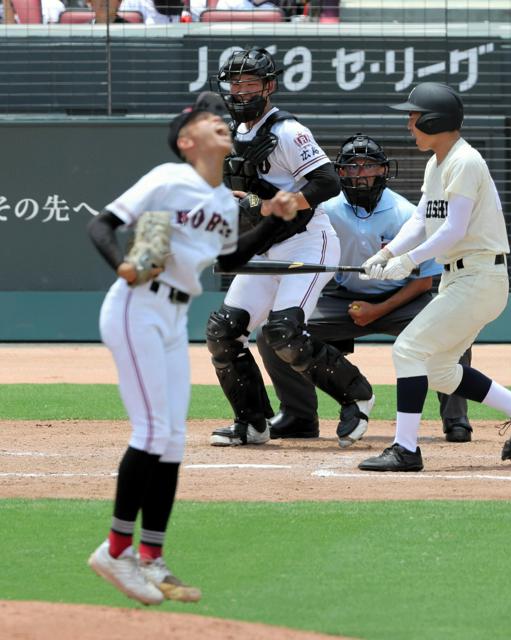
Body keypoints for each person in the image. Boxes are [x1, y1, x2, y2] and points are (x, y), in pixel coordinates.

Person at [86, 91, 298, 605]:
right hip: (136, 305)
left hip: (173, 313)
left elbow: (231, 259)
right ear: (187, 141)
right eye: (209, 120)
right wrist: (122, 263)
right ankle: (115, 552)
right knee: (153, 430)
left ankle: (152, 559)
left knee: (173, 439)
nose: (221, 123)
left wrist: (277, 218)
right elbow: (102, 225)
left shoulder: (224, 200)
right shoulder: (168, 179)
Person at [357, 82, 511, 472]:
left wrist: (409, 261)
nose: (410, 124)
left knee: (408, 350)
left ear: (434, 119)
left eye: (414, 117)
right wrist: (387, 252)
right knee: (439, 369)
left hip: (479, 276)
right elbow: (421, 219)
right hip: (462, 278)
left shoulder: (466, 161)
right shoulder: (438, 162)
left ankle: (405, 450)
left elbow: (454, 229)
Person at [206, 47, 375, 449]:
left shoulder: (287, 131)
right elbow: (237, 194)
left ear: (269, 86)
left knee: (284, 334)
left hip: (307, 240)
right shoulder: (232, 133)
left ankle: (357, 396)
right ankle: (252, 423)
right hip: (264, 245)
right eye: (234, 83)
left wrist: (268, 202)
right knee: (224, 332)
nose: (240, 91)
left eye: (249, 83)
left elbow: (326, 183)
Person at [257, 133, 474, 444]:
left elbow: (425, 281)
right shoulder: (324, 210)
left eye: (368, 166)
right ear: (339, 173)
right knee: (272, 333)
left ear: (383, 171)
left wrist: (378, 310)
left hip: (402, 299)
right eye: (351, 167)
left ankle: (456, 420)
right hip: (341, 298)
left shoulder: (405, 213)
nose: (360, 174)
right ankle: (299, 416)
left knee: (453, 330)